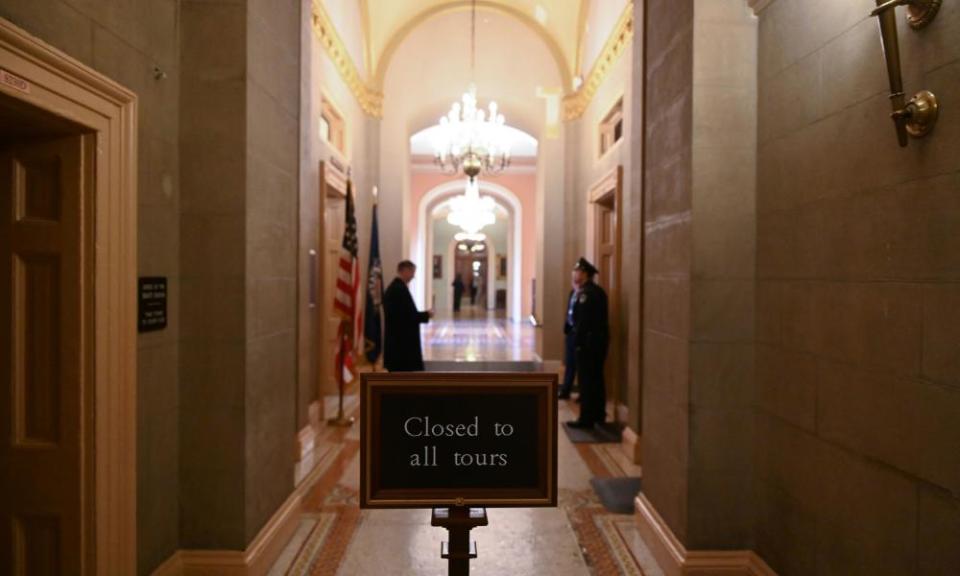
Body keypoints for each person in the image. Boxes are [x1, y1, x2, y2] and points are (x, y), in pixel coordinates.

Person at [566, 257, 609, 428]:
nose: (574, 274)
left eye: (577, 271)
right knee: (596, 379)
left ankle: (586, 418)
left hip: (588, 344)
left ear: (584, 274)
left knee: (587, 380)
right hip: (595, 342)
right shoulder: (592, 291)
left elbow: (583, 322)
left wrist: (577, 342)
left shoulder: (587, 294)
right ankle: (598, 414)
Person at [383, 260, 433, 371]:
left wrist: (424, 315)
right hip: (401, 341)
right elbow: (408, 316)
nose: (413, 276)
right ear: (405, 270)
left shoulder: (397, 287)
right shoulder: (399, 289)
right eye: (412, 272)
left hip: (398, 337)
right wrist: (426, 314)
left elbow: (405, 313)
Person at [558, 269, 583, 400]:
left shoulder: (585, 294)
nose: (574, 277)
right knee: (570, 363)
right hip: (571, 333)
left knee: (581, 365)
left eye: (576, 274)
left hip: (581, 334)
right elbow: (570, 312)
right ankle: (566, 390)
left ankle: (582, 393)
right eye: (573, 275)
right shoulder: (572, 292)